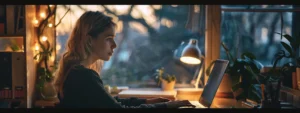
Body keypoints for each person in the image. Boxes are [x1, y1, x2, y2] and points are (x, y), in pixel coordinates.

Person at [54, 11, 195, 108]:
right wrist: (165, 106)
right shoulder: (84, 76)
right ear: (90, 40)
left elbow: (110, 102)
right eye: (108, 39)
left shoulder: (76, 71)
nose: (114, 45)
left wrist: (147, 100)